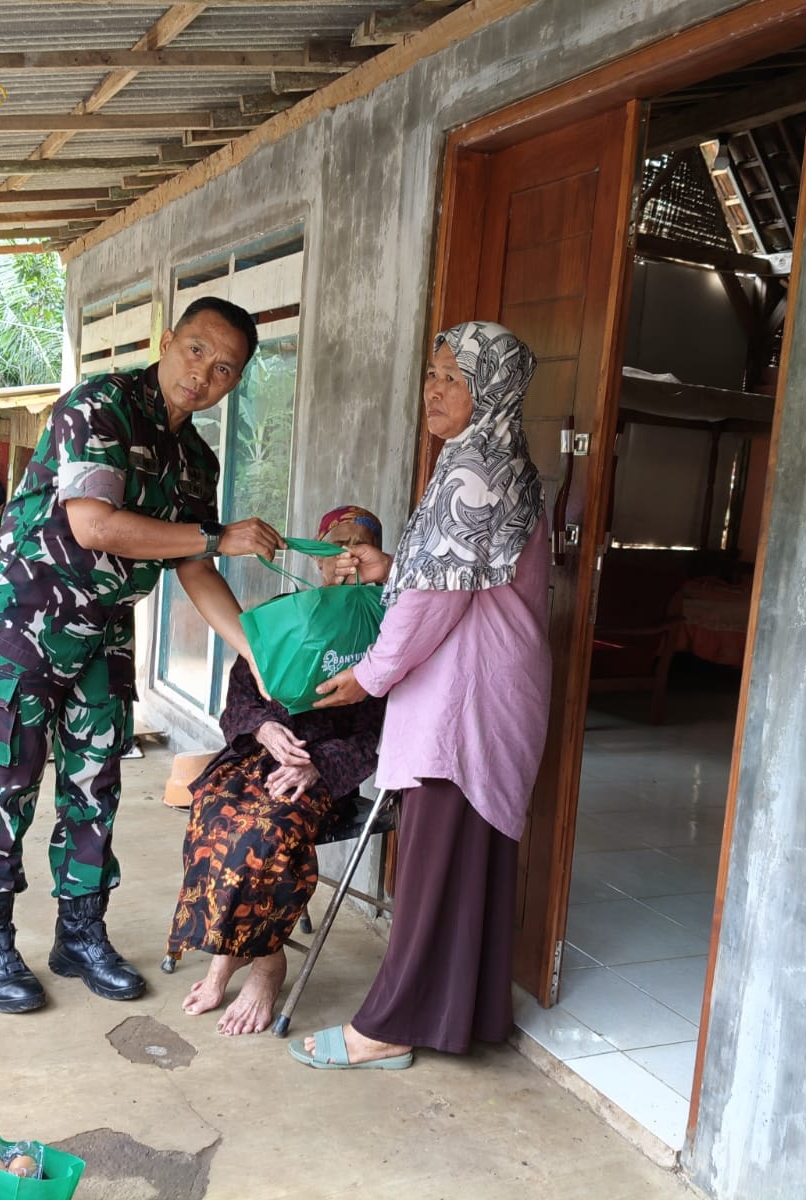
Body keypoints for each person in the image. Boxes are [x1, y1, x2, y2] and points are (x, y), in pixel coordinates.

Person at [0, 296, 284, 1015]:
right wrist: (215, 536)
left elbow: (195, 564)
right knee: (2, 786)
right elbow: (96, 523)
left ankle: (80, 933)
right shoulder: (97, 408)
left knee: (95, 788)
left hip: (102, 630)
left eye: (225, 368)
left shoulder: (194, 457)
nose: (204, 374)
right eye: (196, 351)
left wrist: (253, 650)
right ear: (166, 341)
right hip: (21, 623)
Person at [289, 321, 552, 1070]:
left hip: (463, 698)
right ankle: (467, 1013)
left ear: (490, 390)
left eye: (454, 377)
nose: (434, 388)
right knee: (467, 861)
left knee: (437, 863)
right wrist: (391, 565)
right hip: (493, 686)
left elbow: (437, 600)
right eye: (433, 373)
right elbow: (454, 570)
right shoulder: (498, 460)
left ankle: (390, 1027)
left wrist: (367, 677)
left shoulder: (475, 468)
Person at [167, 505, 389, 1036]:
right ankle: (230, 952)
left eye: (357, 547)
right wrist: (265, 729)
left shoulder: (387, 626)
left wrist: (318, 767)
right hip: (256, 754)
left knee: (268, 830)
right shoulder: (285, 615)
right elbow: (239, 702)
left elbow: (385, 732)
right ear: (314, 556)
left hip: (323, 770)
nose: (344, 560)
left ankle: (265, 963)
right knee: (213, 811)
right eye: (334, 546)